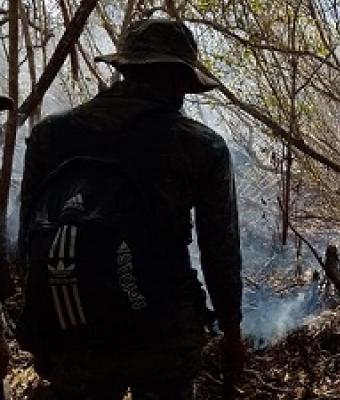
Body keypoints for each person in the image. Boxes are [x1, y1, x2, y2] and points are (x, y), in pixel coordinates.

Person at [17, 19, 244, 399]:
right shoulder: (199, 146)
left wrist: (43, 327)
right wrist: (231, 332)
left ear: (125, 69)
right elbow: (219, 250)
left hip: (73, 330)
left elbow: (31, 241)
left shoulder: (50, 137)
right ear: (177, 78)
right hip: (161, 334)